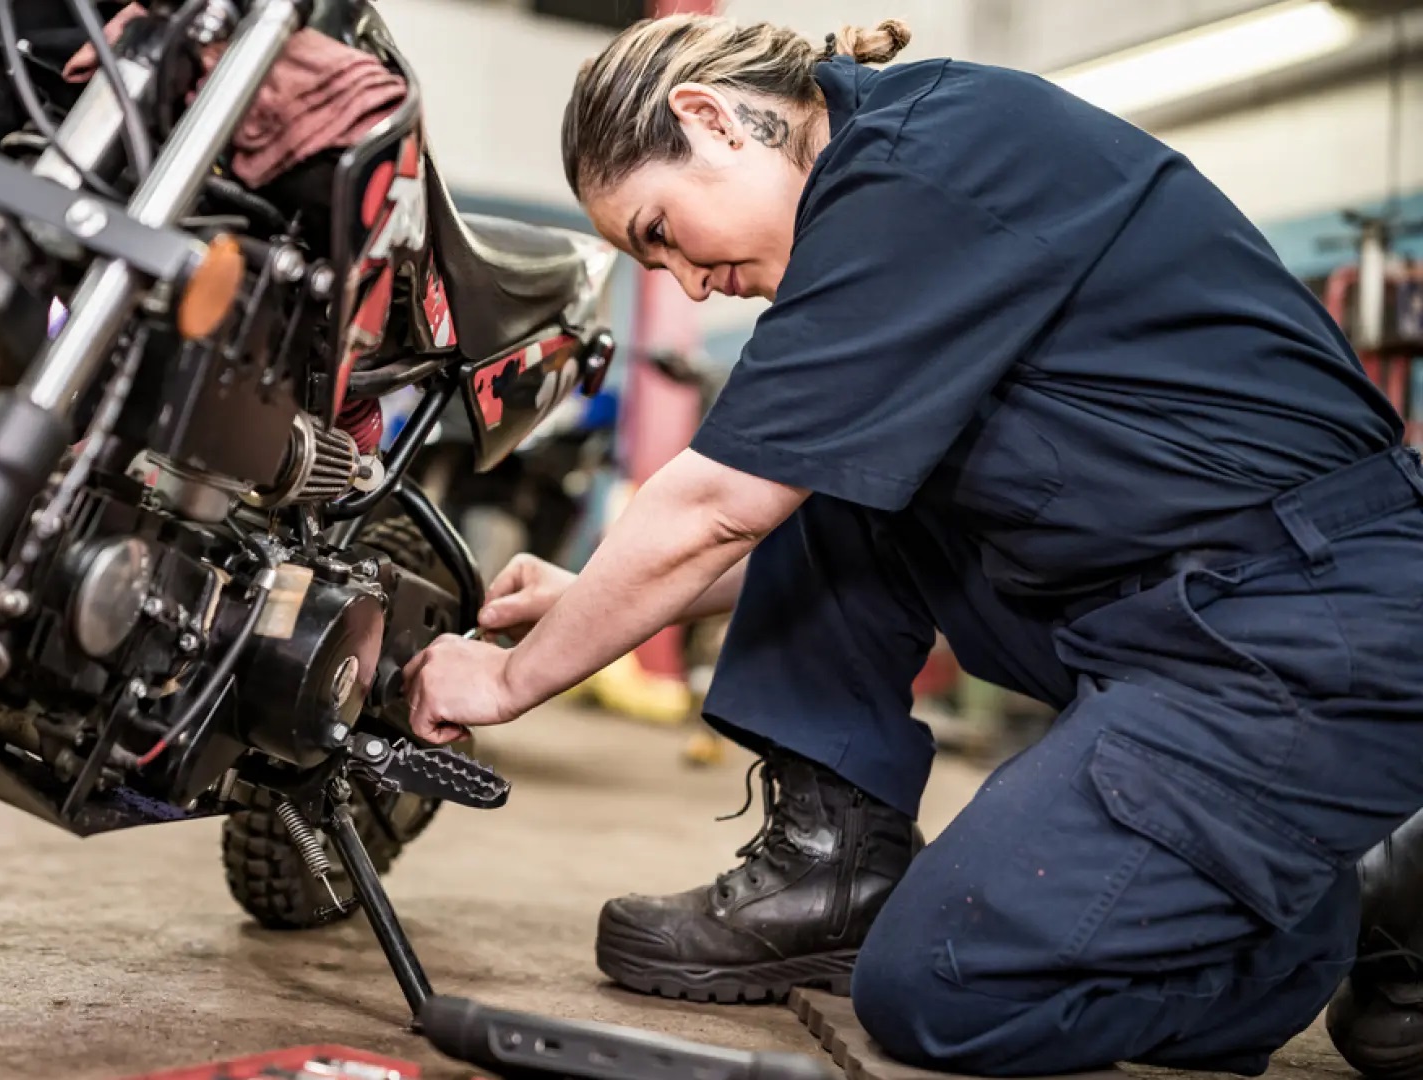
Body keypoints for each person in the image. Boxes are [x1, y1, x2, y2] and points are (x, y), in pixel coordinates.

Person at [400, 14, 1423, 1077]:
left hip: (1307, 631)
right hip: (1164, 610)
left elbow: (717, 506)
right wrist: (588, 603)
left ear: (709, 119)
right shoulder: (888, 187)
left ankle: (1317, 920)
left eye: (660, 232)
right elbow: (795, 511)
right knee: (832, 471)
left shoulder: (930, 164)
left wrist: (515, 677)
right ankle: (833, 865)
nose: (690, 285)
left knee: (943, 987)